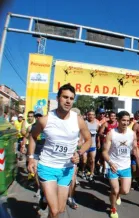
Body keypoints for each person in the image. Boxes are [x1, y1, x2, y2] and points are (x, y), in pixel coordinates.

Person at [27, 83, 92, 218]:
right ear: (58, 98)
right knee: (55, 210)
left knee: (60, 210)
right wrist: (31, 158)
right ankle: (45, 196)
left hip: (66, 169)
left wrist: (79, 153)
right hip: (47, 166)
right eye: (65, 97)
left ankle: (44, 198)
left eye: (71, 98)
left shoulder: (78, 120)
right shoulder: (45, 120)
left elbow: (88, 140)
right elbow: (33, 136)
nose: (68, 101)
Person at [102, 111, 139, 218]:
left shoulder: (132, 134)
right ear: (118, 120)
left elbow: (135, 149)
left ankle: (117, 196)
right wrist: (110, 163)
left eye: (127, 121)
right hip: (113, 166)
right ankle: (113, 209)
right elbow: (104, 152)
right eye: (123, 120)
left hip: (126, 166)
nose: (126, 123)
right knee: (115, 189)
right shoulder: (111, 133)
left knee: (125, 191)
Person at [98, 111, 118, 176]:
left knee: (114, 157)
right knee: (106, 156)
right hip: (106, 143)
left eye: (114, 116)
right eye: (112, 116)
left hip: (115, 143)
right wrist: (105, 136)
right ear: (109, 117)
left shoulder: (117, 124)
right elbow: (100, 133)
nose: (113, 117)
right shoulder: (105, 124)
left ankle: (114, 169)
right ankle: (105, 171)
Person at [81, 110, 99, 182]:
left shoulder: (96, 124)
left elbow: (97, 134)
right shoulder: (84, 123)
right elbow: (81, 133)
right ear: (87, 115)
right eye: (89, 114)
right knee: (84, 160)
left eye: (92, 115)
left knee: (92, 160)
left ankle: (91, 174)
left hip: (93, 145)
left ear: (94, 116)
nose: (91, 116)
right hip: (85, 144)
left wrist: (99, 142)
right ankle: (82, 171)